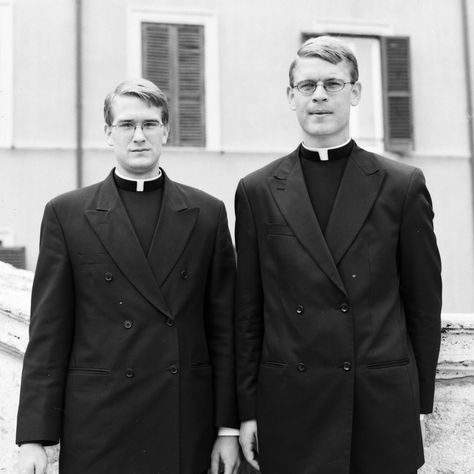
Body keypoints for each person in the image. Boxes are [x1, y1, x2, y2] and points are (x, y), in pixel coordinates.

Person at [235, 36, 442, 474]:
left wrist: (418, 402)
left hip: (378, 405)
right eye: (307, 86)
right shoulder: (257, 190)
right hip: (291, 403)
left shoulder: (401, 184)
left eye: (333, 83)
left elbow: (424, 304)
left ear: (356, 92)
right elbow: (248, 312)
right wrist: (248, 409)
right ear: (291, 97)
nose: (320, 96)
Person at [16, 78, 240, 474]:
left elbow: (224, 331)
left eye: (150, 124)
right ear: (108, 133)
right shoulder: (67, 214)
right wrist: (35, 437)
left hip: (182, 421)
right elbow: (49, 333)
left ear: (165, 130)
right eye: (126, 125)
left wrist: (228, 429)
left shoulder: (207, 213)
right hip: (99, 422)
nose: (139, 136)